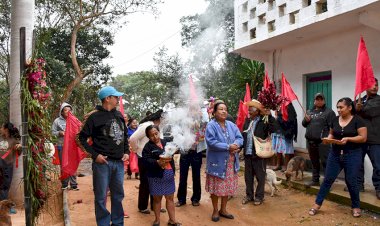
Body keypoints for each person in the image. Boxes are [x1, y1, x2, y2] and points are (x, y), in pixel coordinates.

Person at [78, 86, 129, 226]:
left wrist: (126, 152)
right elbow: (81, 138)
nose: (118, 99)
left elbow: (124, 135)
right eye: (115, 96)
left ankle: (118, 223)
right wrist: (95, 156)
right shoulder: (94, 117)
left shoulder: (118, 115)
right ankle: (103, 223)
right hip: (102, 164)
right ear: (107, 98)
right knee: (101, 197)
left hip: (118, 163)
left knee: (118, 196)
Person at [308, 97, 366, 218]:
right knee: (328, 179)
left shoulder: (358, 120)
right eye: (337, 107)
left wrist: (349, 139)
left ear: (349, 108)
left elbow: (363, 137)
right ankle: (317, 204)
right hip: (335, 154)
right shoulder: (334, 120)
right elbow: (332, 133)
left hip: (352, 154)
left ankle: (356, 206)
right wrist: (328, 139)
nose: (338, 110)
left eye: (341, 107)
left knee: (351, 181)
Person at [205, 101, 243, 222]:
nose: (224, 111)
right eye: (220, 109)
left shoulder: (232, 125)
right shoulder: (211, 125)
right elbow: (211, 142)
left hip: (230, 162)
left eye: (225, 109)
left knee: (226, 187)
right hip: (217, 163)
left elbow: (240, 137)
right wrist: (228, 147)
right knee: (216, 188)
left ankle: (223, 209)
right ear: (214, 112)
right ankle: (215, 210)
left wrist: (236, 144)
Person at [142, 125, 181, 226]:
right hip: (155, 176)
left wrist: (176, 150)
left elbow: (176, 150)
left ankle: (172, 220)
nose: (155, 137)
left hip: (168, 174)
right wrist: (157, 162)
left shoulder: (166, 142)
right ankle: (157, 220)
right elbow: (146, 161)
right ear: (148, 137)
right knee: (157, 199)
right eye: (151, 135)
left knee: (170, 198)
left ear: (159, 132)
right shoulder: (147, 147)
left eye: (156, 133)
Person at [129, 110, 165, 214]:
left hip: (156, 158)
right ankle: (142, 206)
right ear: (160, 118)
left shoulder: (159, 126)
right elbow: (133, 138)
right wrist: (136, 150)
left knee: (156, 181)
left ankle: (155, 206)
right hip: (144, 158)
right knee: (145, 183)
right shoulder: (146, 125)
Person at [241, 100, 275, 206]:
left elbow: (274, 128)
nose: (249, 111)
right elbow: (243, 135)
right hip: (248, 153)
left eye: (251, 109)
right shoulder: (247, 121)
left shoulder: (264, 121)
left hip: (259, 154)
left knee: (260, 177)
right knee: (248, 177)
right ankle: (249, 195)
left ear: (257, 111)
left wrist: (269, 116)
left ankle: (259, 196)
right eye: (249, 108)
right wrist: (241, 148)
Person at [302, 93, 336, 187]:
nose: (319, 101)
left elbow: (333, 127)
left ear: (324, 101)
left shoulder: (329, 112)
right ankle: (315, 180)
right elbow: (304, 124)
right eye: (317, 99)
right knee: (314, 162)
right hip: (310, 142)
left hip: (323, 142)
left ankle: (327, 184)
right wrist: (306, 120)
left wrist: (330, 138)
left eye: (321, 99)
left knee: (326, 163)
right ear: (314, 101)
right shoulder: (309, 112)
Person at [176, 105, 207, 207]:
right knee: (183, 177)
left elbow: (207, 122)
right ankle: (181, 199)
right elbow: (177, 133)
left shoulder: (202, 121)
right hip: (185, 151)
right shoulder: (183, 121)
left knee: (196, 176)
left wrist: (202, 114)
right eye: (191, 109)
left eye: (195, 109)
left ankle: (196, 199)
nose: (193, 111)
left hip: (196, 152)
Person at [355, 78, 380, 199]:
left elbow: (371, 111)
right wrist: (355, 108)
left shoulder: (379, 100)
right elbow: (350, 111)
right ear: (365, 87)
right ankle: (359, 185)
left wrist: (359, 109)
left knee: (378, 165)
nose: (375, 87)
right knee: (358, 163)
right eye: (371, 85)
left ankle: (379, 188)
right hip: (360, 138)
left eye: (376, 85)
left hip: (375, 139)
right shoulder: (360, 100)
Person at [52, 102, 79, 190]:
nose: (68, 111)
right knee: (64, 165)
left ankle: (73, 184)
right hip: (62, 146)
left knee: (73, 163)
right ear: (62, 112)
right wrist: (59, 133)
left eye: (69, 110)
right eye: (66, 110)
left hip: (72, 147)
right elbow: (52, 132)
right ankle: (64, 184)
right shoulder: (57, 121)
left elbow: (79, 130)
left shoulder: (74, 119)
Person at [272, 103, 298, 171]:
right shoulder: (279, 107)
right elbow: (278, 118)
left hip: (287, 131)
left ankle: (286, 165)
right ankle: (278, 164)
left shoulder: (290, 108)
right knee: (278, 149)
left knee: (287, 149)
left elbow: (292, 120)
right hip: (279, 131)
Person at [0, 123, 21, 203]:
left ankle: (2, 206)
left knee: (5, 186)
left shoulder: (14, 140)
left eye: (2, 127)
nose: (1, 129)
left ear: (6, 129)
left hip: (7, 166)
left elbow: (18, 153)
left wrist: (18, 148)